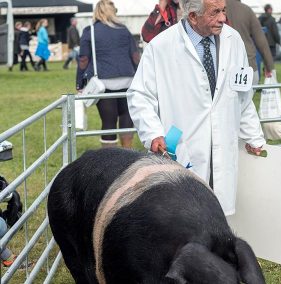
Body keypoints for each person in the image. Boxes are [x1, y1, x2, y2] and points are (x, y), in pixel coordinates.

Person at [127, 0, 266, 215]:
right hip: (181, 145)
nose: (222, 18)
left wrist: (254, 137)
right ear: (193, 16)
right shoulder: (162, 45)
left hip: (222, 146)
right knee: (182, 217)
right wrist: (153, 133)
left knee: (219, 217)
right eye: (215, 13)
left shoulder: (233, 40)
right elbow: (140, 94)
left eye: (224, 11)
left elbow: (242, 96)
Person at [76, 0, 140, 148]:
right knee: (126, 117)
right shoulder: (124, 29)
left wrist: (79, 83)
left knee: (108, 121)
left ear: (97, 11)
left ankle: (110, 159)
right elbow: (135, 55)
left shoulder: (90, 31)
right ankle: (127, 153)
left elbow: (84, 60)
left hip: (104, 83)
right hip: (128, 80)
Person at [226, 0, 274, 84]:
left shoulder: (213, 8)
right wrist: (269, 67)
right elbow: (261, 41)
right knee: (247, 96)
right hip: (247, 65)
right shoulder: (246, 10)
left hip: (222, 66)